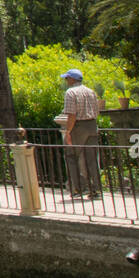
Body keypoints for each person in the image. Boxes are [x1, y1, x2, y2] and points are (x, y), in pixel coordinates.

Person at [61, 68, 101, 200]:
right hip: (92, 125)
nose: (66, 81)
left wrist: (68, 132)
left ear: (72, 79)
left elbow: (71, 115)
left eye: (67, 78)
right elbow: (97, 111)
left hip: (79, 126)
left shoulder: (70, 92)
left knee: (71, 156)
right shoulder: (91, 91)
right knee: (92, 159)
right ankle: (96, 190)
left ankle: (78, 188)